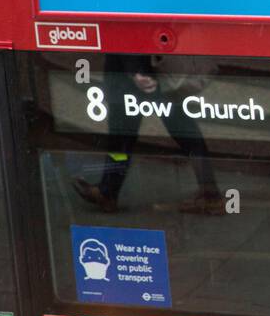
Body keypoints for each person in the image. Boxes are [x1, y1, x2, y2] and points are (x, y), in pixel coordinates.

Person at [72, 54, 225, 215]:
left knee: (127, 132)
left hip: (140, 67)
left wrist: (137, 70)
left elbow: (130, 32)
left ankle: (211, 194)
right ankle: (108, 189)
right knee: (130, 131)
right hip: (142, 65)